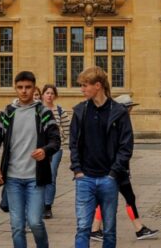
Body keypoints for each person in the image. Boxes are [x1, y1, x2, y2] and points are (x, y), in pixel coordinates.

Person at [0, 71, 60, 248]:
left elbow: (55, 140)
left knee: (35, 222)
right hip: (12, 178)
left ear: (34, 88)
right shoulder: (7, 113)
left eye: (28, 87)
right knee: (17, 226)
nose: (24, 91)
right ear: (15, 88)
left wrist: (45, 150)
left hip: (36, 178)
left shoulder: (43, 112)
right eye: (20, 87)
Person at [68, 66, 133, 248]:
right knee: (83, 228)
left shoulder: (118, 112)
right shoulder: (80, 111)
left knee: (110, 230)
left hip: (108, 179)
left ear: (98, 85)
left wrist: (114, 173)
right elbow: (73, 143)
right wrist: (77, 169)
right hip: (85, 178)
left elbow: (126, 146)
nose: (81, 89)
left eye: (84, 85)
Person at [89, 95, 157, 241]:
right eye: (129, 107)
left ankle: (95, 229)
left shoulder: (116, 122)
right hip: (116, 169)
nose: (131, 110)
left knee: (107, 198)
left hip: (115, 168)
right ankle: (139, 228)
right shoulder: (117, 123)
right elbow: (120, 149)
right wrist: (120, 168)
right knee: (128, 197)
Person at [39, 85, 71, 219]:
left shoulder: (59, 110)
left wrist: (62, 140)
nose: (49, 95)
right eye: (47, 93)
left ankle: (47, 206)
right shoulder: (37, 110)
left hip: (56, 149)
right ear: (42, 95)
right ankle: (38, 204)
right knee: (39, 177)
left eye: (52, 93)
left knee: (51, 176)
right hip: (40, 149)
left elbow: (67, 127)